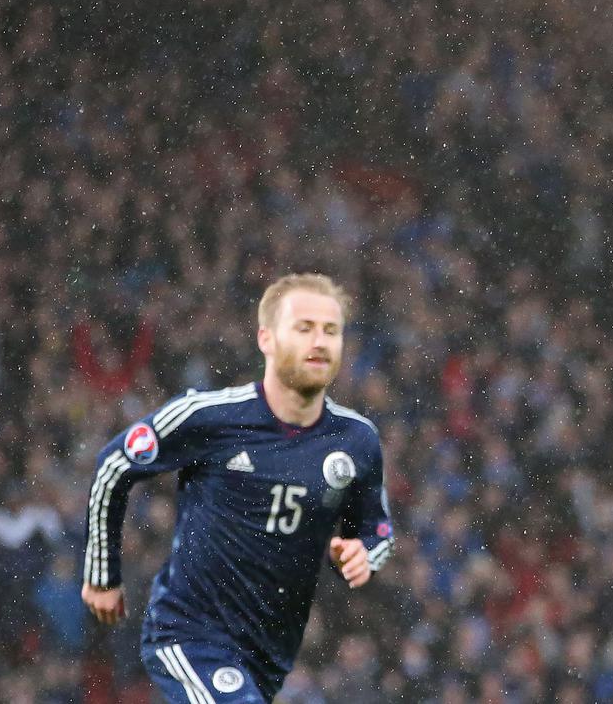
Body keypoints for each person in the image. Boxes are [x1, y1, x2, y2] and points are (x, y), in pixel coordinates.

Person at [82, 273, 394, 703]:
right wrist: (102, 574)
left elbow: (376, 531)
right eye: (304, 328)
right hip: (189, 634)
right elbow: (115, 465)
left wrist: (362, 554)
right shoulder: (209, 416)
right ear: (266, 339)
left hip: (269, 655)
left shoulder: (357, 440)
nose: (319, 342)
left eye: (330, 330)